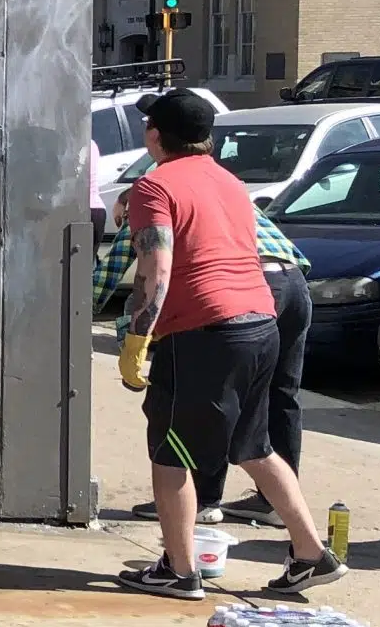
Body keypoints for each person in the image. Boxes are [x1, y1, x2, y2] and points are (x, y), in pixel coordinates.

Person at [115, 91, 342, 598]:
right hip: (260, 323)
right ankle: (310, 552)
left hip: (203, 332)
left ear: (155, 135)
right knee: (253, 445)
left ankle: (179, 570)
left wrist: (137, 337)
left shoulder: (154, 186)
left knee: (170, 450)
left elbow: (157, 267)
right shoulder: (229, 181)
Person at [96, 198, 308, 528]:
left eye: (122, 221)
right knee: (281, 395)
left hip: (247, 289)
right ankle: (274, 503)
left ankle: (203, 499)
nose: (124, 228)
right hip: (294, 282)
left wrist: (75, 311)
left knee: (217, 394)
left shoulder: (148, 202)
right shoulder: (218, 195)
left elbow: (107, 279)